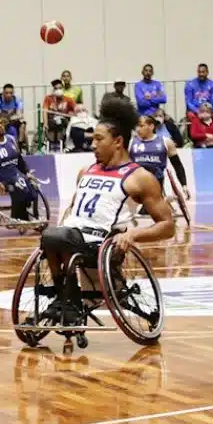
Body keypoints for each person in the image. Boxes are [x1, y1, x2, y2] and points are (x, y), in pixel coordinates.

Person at [39, 97, 175, 322]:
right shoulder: (86, 170)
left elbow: (168, 226)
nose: (93, 145)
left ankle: (67, 299)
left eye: (99, 139)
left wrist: (133, 234)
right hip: (71, 236)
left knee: (56, 236)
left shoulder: (139, 177)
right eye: (93, 139)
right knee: (52, 235)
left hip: (102, 243)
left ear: (118, 142)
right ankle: (65, 296)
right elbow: (73, 208)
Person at [129, 115, 189, 218]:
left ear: (151, 126)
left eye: (141, 126)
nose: (138, 129)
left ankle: (164, 201)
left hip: (158, 180)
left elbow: (177, 165)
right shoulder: (131, 143)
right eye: (137, 127)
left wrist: (184, 185)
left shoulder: (166, 142)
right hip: (137, 182)